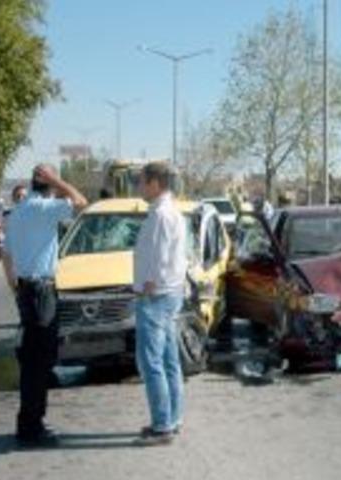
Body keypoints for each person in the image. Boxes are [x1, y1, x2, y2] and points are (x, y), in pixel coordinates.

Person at [2, 164, 88, 447]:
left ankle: (29, 421)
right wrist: (57, 179)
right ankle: (32, 426)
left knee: (31, 361)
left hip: (27, 290)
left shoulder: (16, 214)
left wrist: (16, 289)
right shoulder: (43, 209)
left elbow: (7, 257)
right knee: (40, 362)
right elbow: (80, 202)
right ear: (48, 185)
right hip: (41, 291)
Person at [133, 161, 189, 446]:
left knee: (150, 361)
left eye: (140, 181)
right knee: (168, 360)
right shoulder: (171, 212)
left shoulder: (160, 215)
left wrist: (146, 289)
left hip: (155, 296)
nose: (138, 186)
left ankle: (162, 425)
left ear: (155, 183)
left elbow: (157, 258)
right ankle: (172, 418)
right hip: (169, 293)